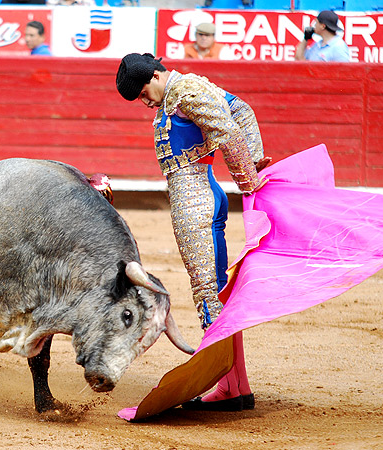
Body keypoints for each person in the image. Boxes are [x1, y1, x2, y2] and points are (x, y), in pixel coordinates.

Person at [115, 53, 271, 411]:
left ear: (156, 75)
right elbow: (241, 109)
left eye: (143, 93)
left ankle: (229, 388)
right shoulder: (187, 89)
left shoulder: (184, 91)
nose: (145, 102)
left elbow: (228, 128)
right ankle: (236, 384)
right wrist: (254, 158)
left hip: (194, 196)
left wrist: (249, 180)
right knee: (217, 291)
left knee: (208, 293)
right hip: (203, 190)